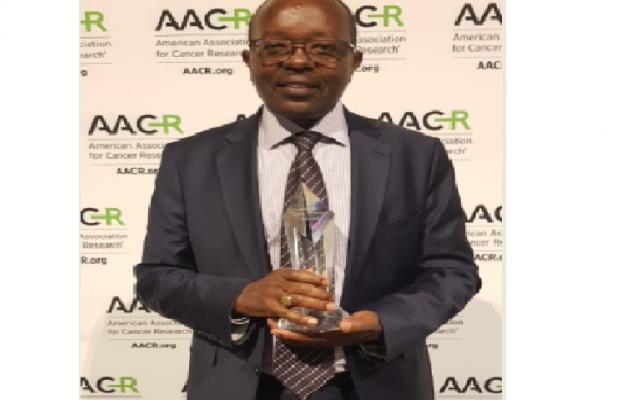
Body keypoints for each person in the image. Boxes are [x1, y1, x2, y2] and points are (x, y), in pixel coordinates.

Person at [133, 0, 481, 399]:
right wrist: (241, 297)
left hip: (375, 381)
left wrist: (380, 324)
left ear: (354, 61)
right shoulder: (190, 160)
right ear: (249, 60)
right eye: (276, 47)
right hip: (240, 386)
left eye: (323, 48)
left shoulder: (415, 156)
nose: (298, 61)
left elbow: (452, 271)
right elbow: (157, 278)